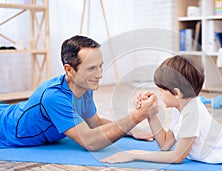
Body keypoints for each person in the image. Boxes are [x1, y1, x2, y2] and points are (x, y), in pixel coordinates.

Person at [101, 55, 222, 167]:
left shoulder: (191, 112)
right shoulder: (182, 107)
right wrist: (151, 114)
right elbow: (165, 144)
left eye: (161, 90)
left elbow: (175, 157)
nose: (158, 94)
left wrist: (134, 153)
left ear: (177, 93)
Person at [0, 35, 156, 150]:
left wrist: (132, 130)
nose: (99, 74)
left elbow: (95, 123)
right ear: (69, 70)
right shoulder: (53, 97)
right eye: (91, 68)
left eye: (100, 66)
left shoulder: (85, 87)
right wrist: (138, 115)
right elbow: (91, 142)